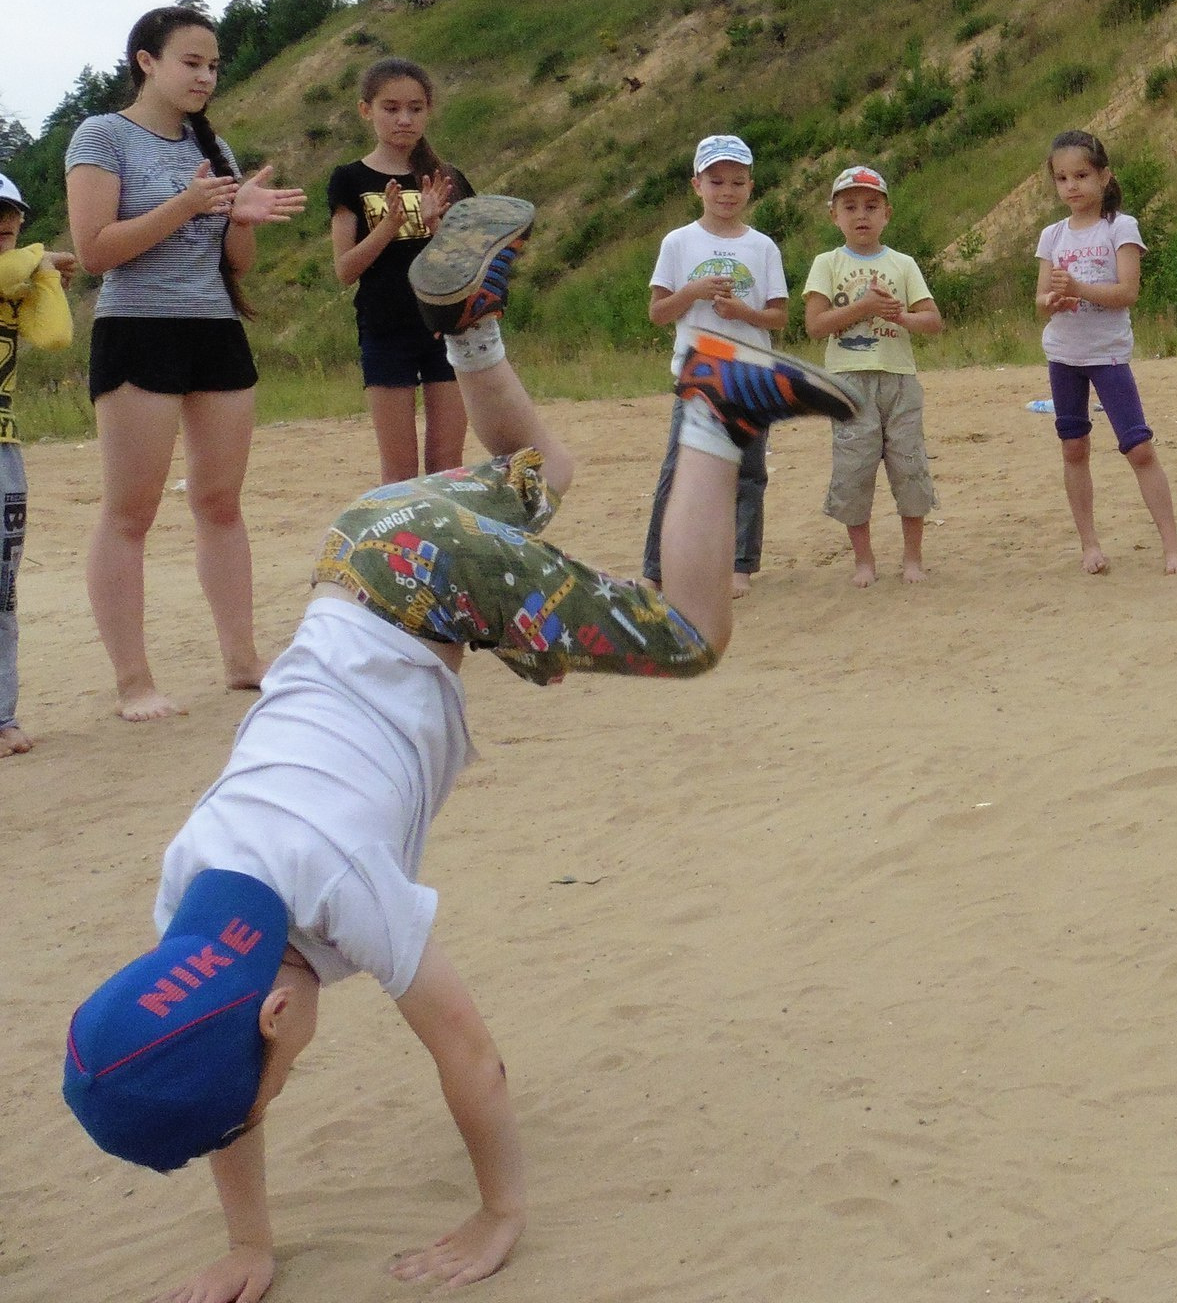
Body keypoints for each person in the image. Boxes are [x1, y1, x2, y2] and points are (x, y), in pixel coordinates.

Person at [59, 192, 854, 1303]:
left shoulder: (343, 894)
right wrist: (249, 1244)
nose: (273, 1095)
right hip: (368, 545)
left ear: (280, 1017)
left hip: (422, 592)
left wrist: (500, 1212)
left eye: (278, 1084)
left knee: (687, 633)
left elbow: (469, 1059)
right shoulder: (187, 891)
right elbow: (215, 1081)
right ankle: (469, 325)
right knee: (550, 474)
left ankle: (715, 401)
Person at [66, 7, 305, 722]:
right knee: (130, 512)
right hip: (139, 331)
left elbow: (236, 265)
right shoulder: (101, 136)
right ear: (147, 61)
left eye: (213, 65)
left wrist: (238, 218)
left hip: (215, 330)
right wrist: (187, 203)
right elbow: (95, 251)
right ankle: (133, 682)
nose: (205, 76)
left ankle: (242, 660)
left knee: (220, 503)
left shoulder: (217, 147)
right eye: (191, 62)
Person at [1034, 129, 1177, 575]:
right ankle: (1090, 544)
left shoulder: (1120, 226)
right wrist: (1054, 301)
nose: (1072, 186)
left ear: (1104, 176)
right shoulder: (1052, 235)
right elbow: (1040, 299)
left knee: (1138, 446)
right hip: (1064, 353)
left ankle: (1172, 547)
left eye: (1081, 175)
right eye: (1062, 178)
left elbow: (1127, 291)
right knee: (1073, 446)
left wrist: (1079, 288)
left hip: (1108, 354)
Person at [642, 134, 789, 599]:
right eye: (716, 181)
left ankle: (739, 565)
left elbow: (779, 316)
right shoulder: (679, 242)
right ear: (697, 185)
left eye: (737, 182)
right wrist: (694, 291)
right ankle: (657, 568)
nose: (727, 191)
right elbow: (659, 311)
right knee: (679, 472)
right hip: (698, 373)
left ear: (750, 186)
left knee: (746, 472)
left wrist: (742, 313)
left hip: (750, 373)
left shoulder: (762, 246)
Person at [328, 57, 477, 486]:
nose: (404, 119)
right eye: (391, 108)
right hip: (384, 329)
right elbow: (345, 269)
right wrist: (390, 227)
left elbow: (468, 262)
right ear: (366, 110)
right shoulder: (350, 179)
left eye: (415, 108)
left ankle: (445, 548)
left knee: (447, 464)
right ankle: (399, 552)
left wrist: (435, 226)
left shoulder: (447, 178)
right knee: (398, 470)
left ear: (428, 110)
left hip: (446, 328)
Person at [803, 163, 942, 585]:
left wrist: (899, 315)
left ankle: (912, 557)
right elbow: (815, 325)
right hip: (847, 381)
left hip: (899, 378)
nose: (861, 215)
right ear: (835, 216)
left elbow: (932, 320)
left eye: (870, 206)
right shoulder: (827, 263)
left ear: (887, 214)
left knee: (909, 465)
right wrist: (862, 308)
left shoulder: (903, 264)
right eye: (850, 207)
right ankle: (864, 560)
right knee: (855, 469)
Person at [0, 172, 77, 757]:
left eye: (14, 215)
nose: (5, 223)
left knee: (2, 591)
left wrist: (42, 278)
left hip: (4, 449)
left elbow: (53, 336)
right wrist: (40, 260)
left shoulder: (15, 277)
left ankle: (2, 717)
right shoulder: (15, 269)